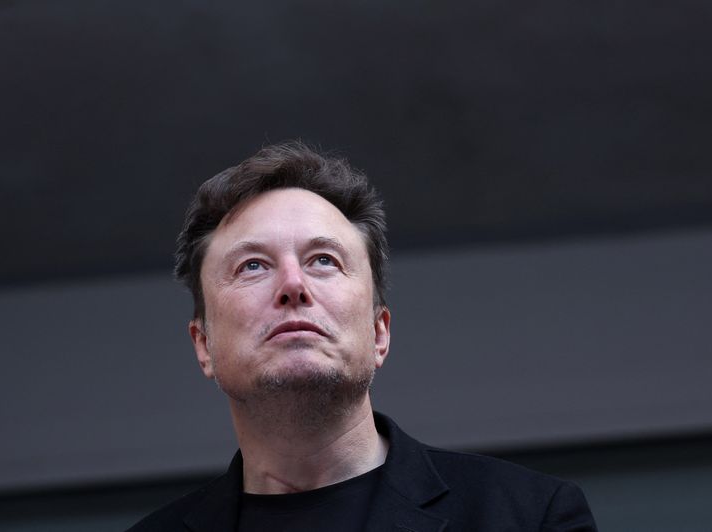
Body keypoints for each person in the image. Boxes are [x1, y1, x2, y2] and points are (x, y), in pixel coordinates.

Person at [127, 142, 598, 531]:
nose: (293, 285)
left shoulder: (530, 517)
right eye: (253, 265)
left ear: (379, 333)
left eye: (323, 260)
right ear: (204, 344)